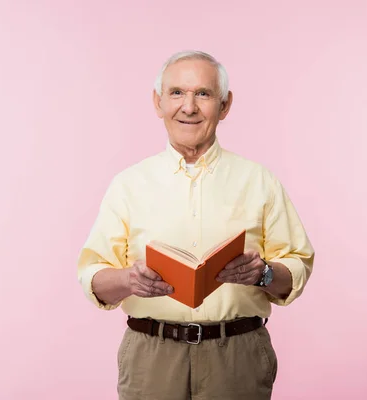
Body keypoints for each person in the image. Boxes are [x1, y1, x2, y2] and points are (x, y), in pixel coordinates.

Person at [76, 50, 315, 400]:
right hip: (151, 355)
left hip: (237, 356)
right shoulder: (128, 184)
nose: (188, 107)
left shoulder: (259, 181)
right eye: (176, 93)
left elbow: (297, 264)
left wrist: (262, 273)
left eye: (203, 93)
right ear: (158, 102)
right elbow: (92, 276)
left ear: (225, 105)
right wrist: (129, 279)